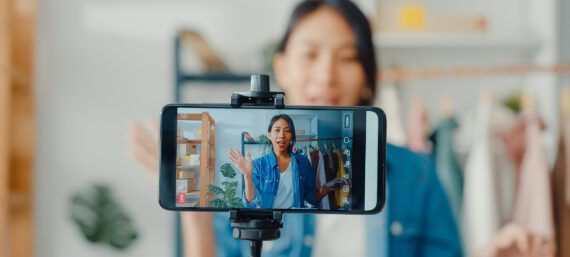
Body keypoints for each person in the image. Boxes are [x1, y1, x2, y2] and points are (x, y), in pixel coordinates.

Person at [129, 0, 539, 256]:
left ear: (367, 77)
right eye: (310, 55)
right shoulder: (249, 175)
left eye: (347, 57)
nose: (326, 73)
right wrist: (197, 217)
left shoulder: (418, 175)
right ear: (282, 67)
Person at [229, 114, 346, 209]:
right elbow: (250, 203)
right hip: (268, 222)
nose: (282, 135)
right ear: (269, 135)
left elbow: (311, 198)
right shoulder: (258, 165)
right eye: (277, 130)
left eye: (287, 131)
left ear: (292, 136)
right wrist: (247, 176)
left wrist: (326, 187)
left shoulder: (303, 163)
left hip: (294, 222)